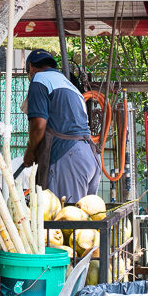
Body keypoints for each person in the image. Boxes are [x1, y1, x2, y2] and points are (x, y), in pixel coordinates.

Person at [22, 49, 100, 202]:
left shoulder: (39, 79)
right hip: (89, 157)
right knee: (84, 219)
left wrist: (30, 151)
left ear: (30, 67)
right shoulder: (70, 85)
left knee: (64, 221)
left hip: (67, 158)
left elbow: (38, 125)